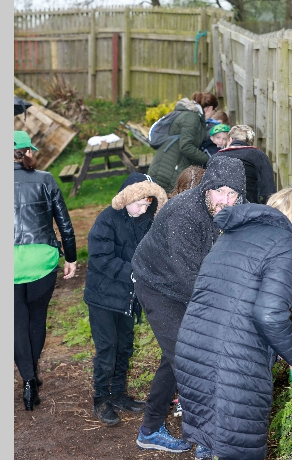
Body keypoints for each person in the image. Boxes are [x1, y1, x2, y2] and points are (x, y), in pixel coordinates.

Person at [174, 187, 292, 460]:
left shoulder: (234, 233)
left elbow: (233, 301)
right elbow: (269, 315)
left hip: (195, 352)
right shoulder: (286, 244)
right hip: (232, 365)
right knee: (240, 449)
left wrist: (282, 349)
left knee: (221, 446)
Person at [131, 156, 246, 454]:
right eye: (219, 191)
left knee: (175, 356)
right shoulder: (184, 214)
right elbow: (191, 279)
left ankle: (150, 429)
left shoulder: (236, 210)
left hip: (191, 283)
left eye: (232, 193)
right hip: (159, 286)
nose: (225, 200)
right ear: (207, 188)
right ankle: (207, 443)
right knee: (191, 359)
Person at [84, 172, 168, 426]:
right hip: (102, 296)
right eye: (138, 204)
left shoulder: (148, 221)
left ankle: (118, 393)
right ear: (126, 198)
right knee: (107, 347)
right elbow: (101, 258)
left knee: (124, 346)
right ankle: (101, 399)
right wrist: (134, 273)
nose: (142, 209)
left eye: (147, 205)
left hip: (128, 298)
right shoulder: (107, 220)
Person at [14, 131, 77, 411]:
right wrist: (71, 257)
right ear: (28, 152)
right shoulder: (46, 179)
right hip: (42, 260)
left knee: (16, 322)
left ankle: (28, 380)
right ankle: (33, 371)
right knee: (37, 317)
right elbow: (64, 222)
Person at [147, 96, 211, 193]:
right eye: (214, 111)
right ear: (210, 108)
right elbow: (185, 146)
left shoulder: (188, 115)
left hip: (168, 164)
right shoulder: (191, 118)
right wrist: (209, 159)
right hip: (169, 169)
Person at [214, 124, 277, 204]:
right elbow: (269, 190)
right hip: (249, 206)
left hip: (221, 205)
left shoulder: (215, 157)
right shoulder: (259, 156)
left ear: (230, 139)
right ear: (251, 142)